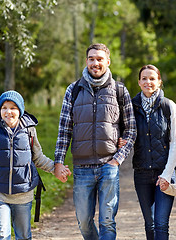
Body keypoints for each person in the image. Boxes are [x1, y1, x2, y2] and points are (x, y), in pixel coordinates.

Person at [54, 43, 137, 240]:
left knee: (107, 221)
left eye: (99, 59)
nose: (95, 63)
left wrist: (117, 159)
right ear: (86, 61)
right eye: (91, 59)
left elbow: (132, 129)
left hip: (109, 165)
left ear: (108, 62)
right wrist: (58, 162)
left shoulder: (119, 90)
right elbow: (64, 129)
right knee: (83, 220)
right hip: (82, 168)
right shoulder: (73, 90)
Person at [0, 90, 71, 240]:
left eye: (13, 108)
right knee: (1, 235)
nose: (8, 112)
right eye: (4, 108)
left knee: (24, 236)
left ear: (20, 110)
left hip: (23, 195)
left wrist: (56, 169)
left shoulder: (29, 131)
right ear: (0, 110)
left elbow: (38, 158)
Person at [131, 64, 176, 240]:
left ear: (159, 82)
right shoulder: (131, 107)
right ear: (139, 82)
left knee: (161, 223)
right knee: (149, 223)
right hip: (142, 174)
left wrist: (167, 174)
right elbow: (127, 135)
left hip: (164, 173)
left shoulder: (169, 106)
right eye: (144, 78)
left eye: (152, 78)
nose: (148, 82)